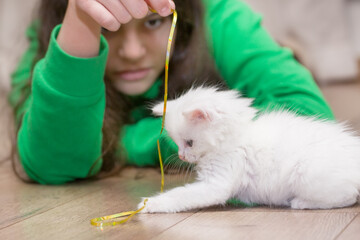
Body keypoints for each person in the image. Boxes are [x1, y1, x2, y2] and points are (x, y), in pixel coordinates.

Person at [9, 0, 334, 185]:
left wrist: (125, 142)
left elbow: (310, 117)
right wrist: (82, 24)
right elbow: (53, 164)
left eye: (153, 23)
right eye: (109, 28)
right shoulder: (59, 35)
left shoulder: (217, 13)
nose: (133, 52)